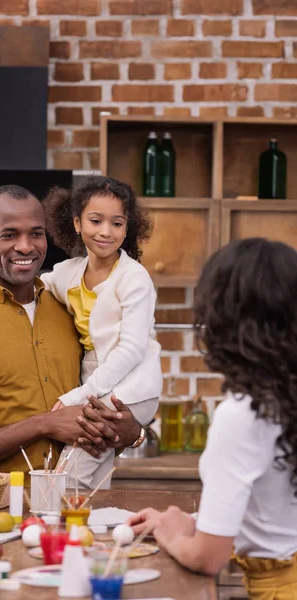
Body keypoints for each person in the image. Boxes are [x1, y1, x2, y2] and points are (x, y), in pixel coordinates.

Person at [0, 176, 162, 488]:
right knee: (93, 465)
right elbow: (31, 286)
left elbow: (130, 351)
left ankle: (56, 519)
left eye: (117, 223)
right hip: (97, 377)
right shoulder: (70, 271)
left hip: (131, 382)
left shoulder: (134, 279)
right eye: (95, 220)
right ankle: (84, 528)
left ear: (128, 228)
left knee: (74, 467)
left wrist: (79, 395)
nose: (106, 231)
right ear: (76, 223)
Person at [128, 238, 297, 599]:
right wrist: (188, 523)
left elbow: (208, 558)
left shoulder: (243, 414)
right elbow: (276, 515)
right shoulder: (285, 396)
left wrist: (171, 535)